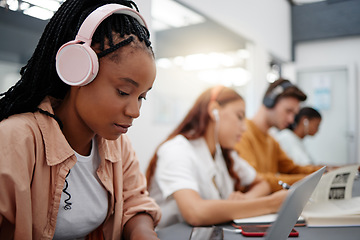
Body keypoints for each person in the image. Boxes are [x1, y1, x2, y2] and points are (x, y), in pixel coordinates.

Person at [0, 1, 161, 239]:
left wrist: (144, 233)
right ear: (78, 70)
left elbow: (134, 202)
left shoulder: (117, 145)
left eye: (142, 98)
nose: (135, 111)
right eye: (124, 92)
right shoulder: (15, 139)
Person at [146, 86, 288, 229]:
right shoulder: (176, 150)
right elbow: (195, 212)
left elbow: (262, 183)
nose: (244, 128)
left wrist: (245, 199)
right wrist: (271, 204)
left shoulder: (223, 153)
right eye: (239, 116)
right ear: (214, 111)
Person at [234, 78, 323, 193]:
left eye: (294, 114)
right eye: (288, 111)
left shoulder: (271, 140)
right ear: (269, 101)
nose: (291, 120)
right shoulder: (242, 134)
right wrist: (306, 179)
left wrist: (324, 172)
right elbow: (255, 179)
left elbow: (292, 169)